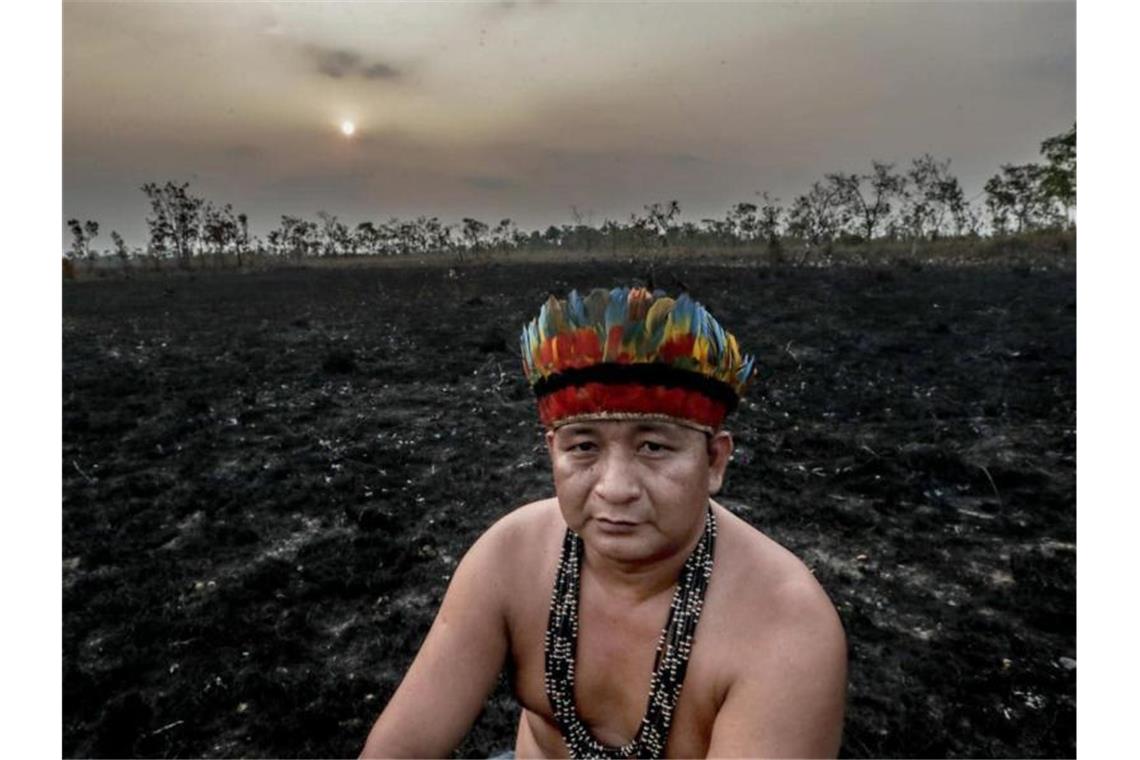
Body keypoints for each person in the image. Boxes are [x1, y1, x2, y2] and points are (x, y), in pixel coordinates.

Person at [360, 287, 847, 758]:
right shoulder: (510, 559)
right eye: (583, 446)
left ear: (714, 461)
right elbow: (402, 746)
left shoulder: (785, 629)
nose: (615, 488)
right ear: (552, 452)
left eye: (653, 447)